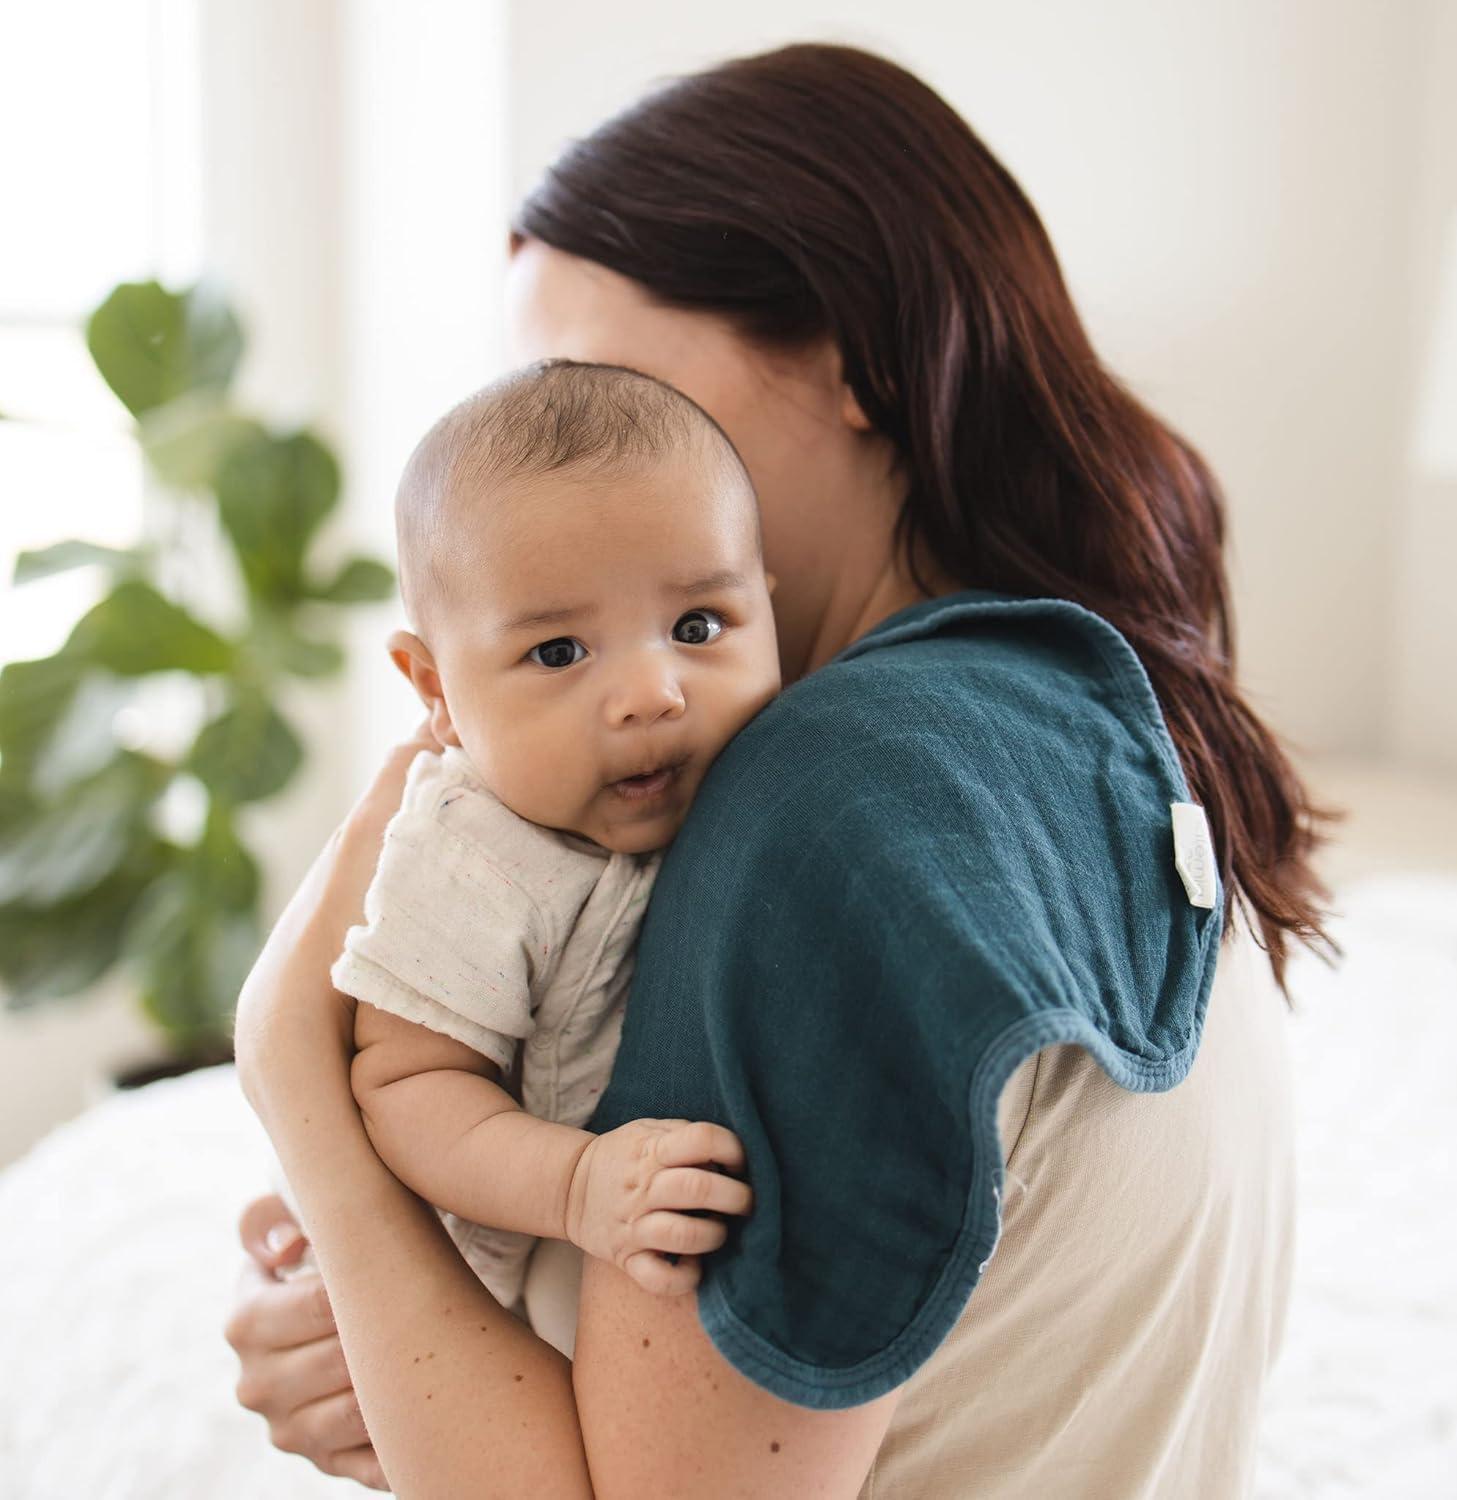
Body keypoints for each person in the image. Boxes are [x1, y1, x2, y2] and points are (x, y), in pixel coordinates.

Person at [226, 41, 1333, 1498]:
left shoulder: (838, 804)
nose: (552, 467)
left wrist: (306, 1100)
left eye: (594, 381)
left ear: (849, 356)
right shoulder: (1116, 715)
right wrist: (415, 1338)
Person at [277, 360, 777, 1316]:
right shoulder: (474, 851)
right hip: (496, 1257)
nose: (651, 695)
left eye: (698, 624)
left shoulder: (759, 771)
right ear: (436, 691)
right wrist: (575, 1186)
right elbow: (410, 1088)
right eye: (558, 652)